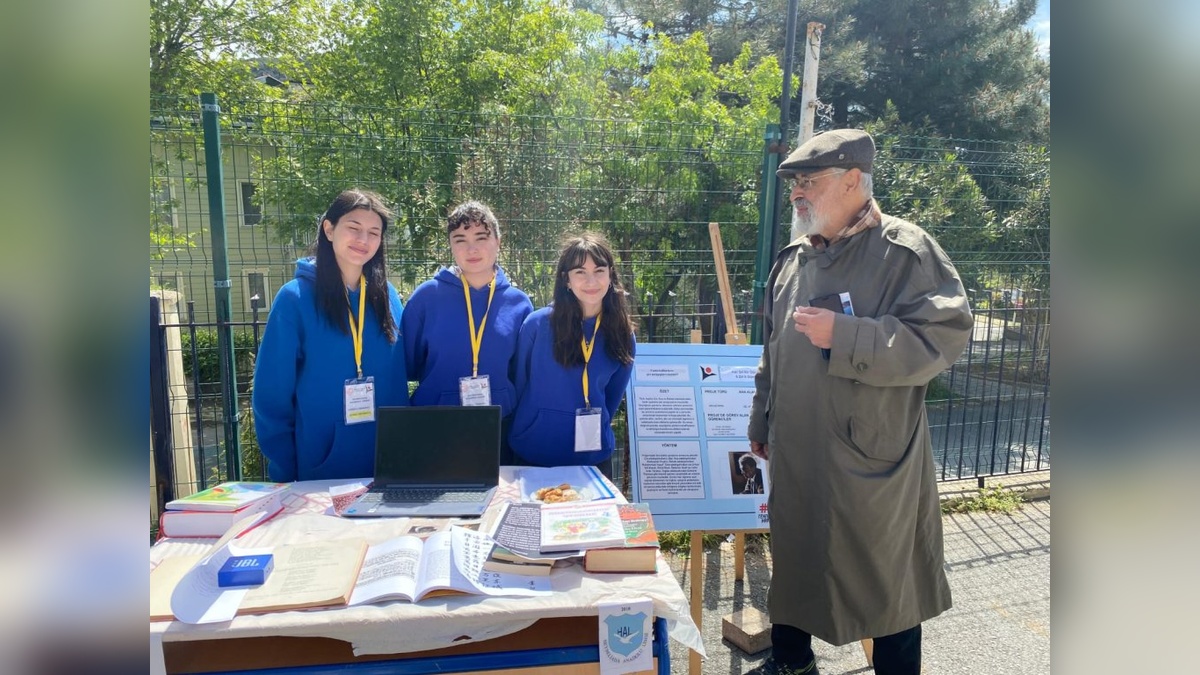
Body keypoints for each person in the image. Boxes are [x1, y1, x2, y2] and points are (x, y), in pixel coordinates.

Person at [745, 129, 973, 675]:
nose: (798, 194)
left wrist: (847, 336)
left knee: (884, 576)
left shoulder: (906, 252)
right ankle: (793, 662)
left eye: (809, 182)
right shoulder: (793, 259)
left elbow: (943, 336)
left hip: (871, 455)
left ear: (853, 181)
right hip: (797, 446)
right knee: (796, 558)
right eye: (795, 184)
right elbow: (773, 350)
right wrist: (762, 415)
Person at [252, 189, 409, 482]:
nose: (364, 240)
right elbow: (271, 396)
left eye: (374, 232)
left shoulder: (389, 298)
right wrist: (285, 470)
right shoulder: (294, 299)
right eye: (354, 228)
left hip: (391, 469)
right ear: (329, 228)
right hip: (321, 476)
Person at [401, 201, 533, 460]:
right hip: (435, 424)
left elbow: (521, 373)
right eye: (460, 239)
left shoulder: (519, 303)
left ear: (498, 241)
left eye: (481, 237)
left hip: (499, 425)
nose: (471, 249)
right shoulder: (426, 298)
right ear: (451, 245)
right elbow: (409, 364)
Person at [509, 231, 636, 474]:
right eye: (580, 272)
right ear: (566, 280)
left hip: (592, 460)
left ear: (611, 276)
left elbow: (611, 397)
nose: (591, 281)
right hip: (531, 454)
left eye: (599, 270)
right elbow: (520, 383)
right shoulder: (536, 325)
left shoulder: (623, 335)